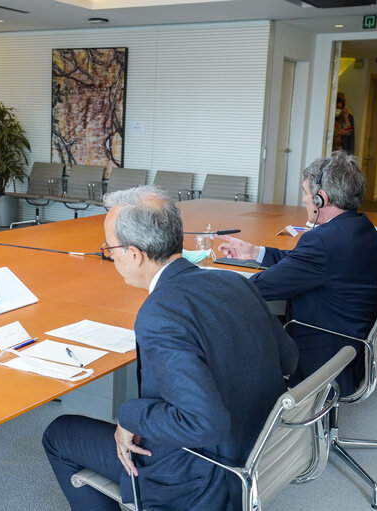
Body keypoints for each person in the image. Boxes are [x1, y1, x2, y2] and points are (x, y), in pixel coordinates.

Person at [43, 185, 298, 511]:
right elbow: (289, 358)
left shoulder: (159, 313)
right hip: (261, 449)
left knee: (59, 434)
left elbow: (205, 423)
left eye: (110, 248)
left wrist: (129, 417)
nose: (110, 254)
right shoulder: (234, 281)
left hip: (203, 477)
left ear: (134, 254)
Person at [218, 151, 377, 394]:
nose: (304, 199)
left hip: (327, 355)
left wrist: (205, 281)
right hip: (353, 345)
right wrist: (255, 252)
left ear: (322, 199)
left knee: (237, 318)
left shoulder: (322, 242)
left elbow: (257, 288)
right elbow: (304, 264)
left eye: (306, 193)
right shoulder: (359, 227)